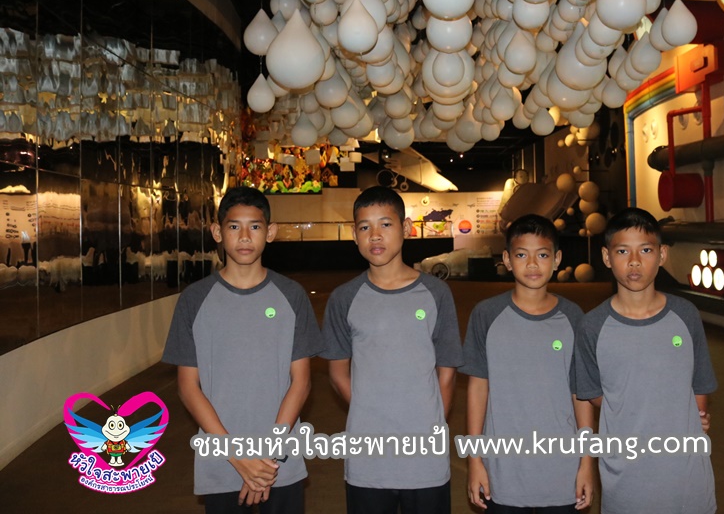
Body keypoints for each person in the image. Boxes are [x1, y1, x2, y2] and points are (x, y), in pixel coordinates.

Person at [162, 186, 323, 513]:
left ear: (270, 232)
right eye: (234, 226)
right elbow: (188, 387)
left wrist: (267, 459)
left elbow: (301, 382)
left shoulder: (292, 295)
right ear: (217, 232)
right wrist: (239, 457)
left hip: (280, 462)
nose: (245, 236)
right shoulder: (194, 300)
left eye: (255, 226)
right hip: (222, 462)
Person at [321, 186, 463, 514]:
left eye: (385, 224)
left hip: (425, 456)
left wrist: (429, 424)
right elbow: (338, 374)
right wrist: (372, 415)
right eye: (364, 226)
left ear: (406, 228)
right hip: (368, 456)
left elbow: (447, 373)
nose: (375, 235)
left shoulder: (436, 293)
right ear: (354, 235)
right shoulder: (344, 298)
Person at [574, 208, 717, 514]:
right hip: (626, 476)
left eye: (646, 250)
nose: (635, 261)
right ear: (606, 257)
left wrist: (696, 416)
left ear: (662, 255)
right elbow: (589, 391)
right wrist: (633, 406)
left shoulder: (686, 315)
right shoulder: (592, 326)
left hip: (686, 474)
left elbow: (700, 383)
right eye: (622, 251)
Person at [462, 214, 594, 513]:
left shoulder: (573, 317)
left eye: (543, 255)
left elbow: (581, 394)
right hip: (502, 469)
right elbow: (477, 389)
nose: (532, 264)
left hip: (561, 468)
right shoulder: (486, 315)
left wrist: (587, 462)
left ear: (557, 259)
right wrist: (474, 460)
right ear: (507, 260)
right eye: (522, 255)